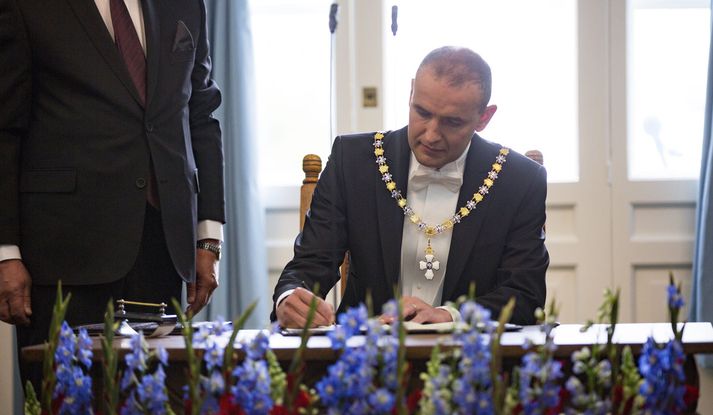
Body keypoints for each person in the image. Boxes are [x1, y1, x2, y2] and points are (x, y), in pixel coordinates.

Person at [0, 0, 225, 389]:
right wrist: (5, 252)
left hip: (162, 249)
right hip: (64, 255)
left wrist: (208, 234)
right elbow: (4, 130)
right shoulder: (25, 6)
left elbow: (202, 116)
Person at [273, 46, 548, 328]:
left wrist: (450, 315)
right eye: (422, 112)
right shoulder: (353, 161)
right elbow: (310, 264)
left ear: (484, 118)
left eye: (452, 122)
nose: (431, 135)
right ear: (411, 92)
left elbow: (525, 295)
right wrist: (289, 298)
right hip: (363, 357)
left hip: (468, 358)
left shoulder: (519, 180)